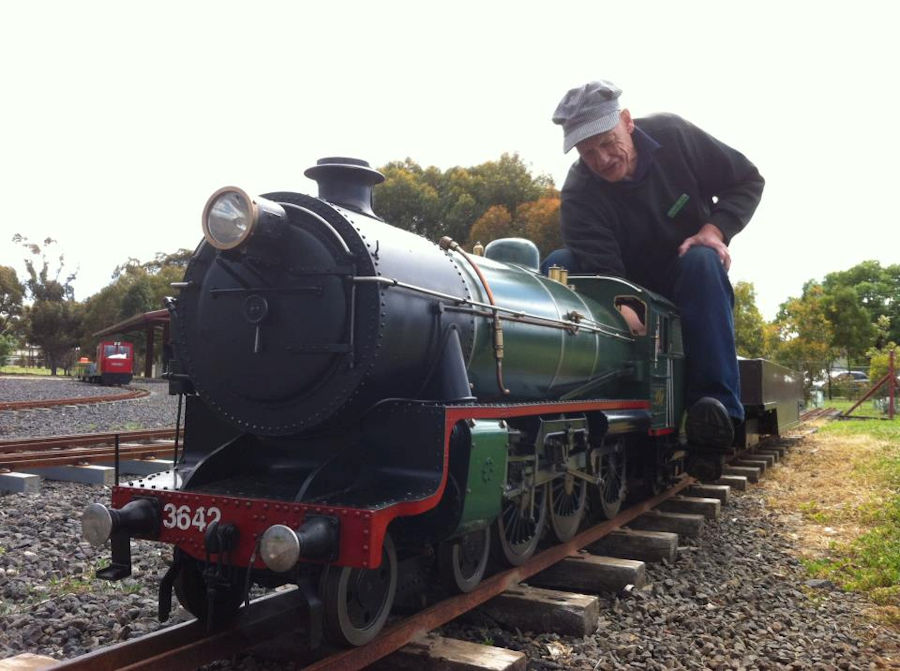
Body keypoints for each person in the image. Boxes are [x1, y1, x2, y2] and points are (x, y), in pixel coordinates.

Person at [548, 80, 764, 449]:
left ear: (628, 122)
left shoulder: (675, 136)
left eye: (607, 143)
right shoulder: (579, 192)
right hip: (621, 276)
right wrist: (623, 310)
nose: (601, 160)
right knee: (560, 263)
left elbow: (747, 179)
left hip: (684, 269)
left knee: (703, 260)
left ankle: (715, 412)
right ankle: (565, 392)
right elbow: (603, 272)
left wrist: (714, 230)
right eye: (587, 152)